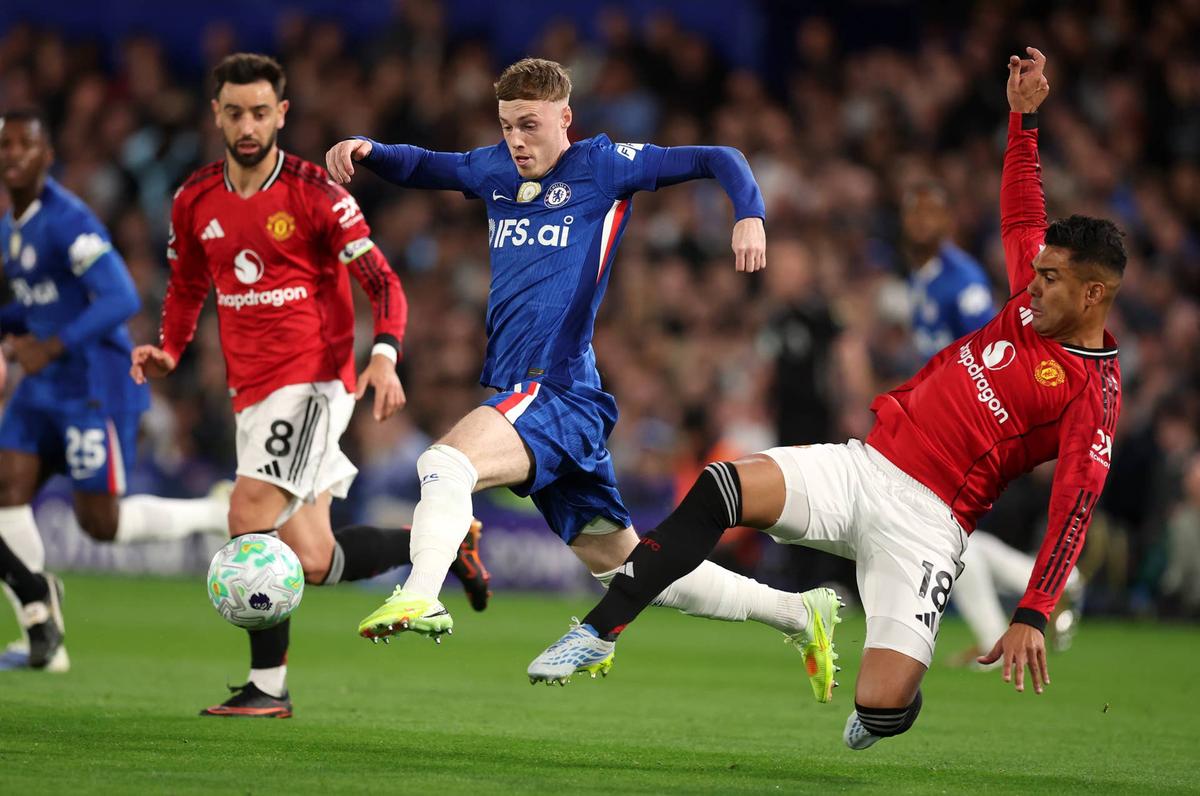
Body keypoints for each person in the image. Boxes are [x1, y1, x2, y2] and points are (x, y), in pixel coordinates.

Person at [529, 48, 1125, 752]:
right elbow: (1023, 207)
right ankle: (601, 630)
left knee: (878, 706)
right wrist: (1023, 121)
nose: (1032, 284)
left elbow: (1076, 505)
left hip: (929, 527)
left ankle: (886, 711)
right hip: (865, 468)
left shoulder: (1093, 391)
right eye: (1037, 271)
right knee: (723, 486)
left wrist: (1033, 610)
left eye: (1052, 279)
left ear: (1094, 294)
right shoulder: (1036, 295)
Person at [326, 57, 830, 677]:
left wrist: (748, 211)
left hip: (557, 388)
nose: (516, 140)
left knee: (444, 462)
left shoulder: (603, 166)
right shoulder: (494, 170)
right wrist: (370, 149)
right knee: (630, 570)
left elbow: (718, 156)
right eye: (508, 125)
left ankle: (421, 594)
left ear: (565, 118)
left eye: (530, 125)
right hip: (547, 395)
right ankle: (800, 614)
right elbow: (429, 165)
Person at [130, 54, 489, 718]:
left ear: (281, 115)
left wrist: (383, 355)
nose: (247, 124)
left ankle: (267, 690)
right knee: (316, 559)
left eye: (260, 112)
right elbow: (186, 287)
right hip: (252, 391)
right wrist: (171, 350)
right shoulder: (194, 200)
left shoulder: (317, 194)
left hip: (316, 381)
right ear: (216, 113)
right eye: (234, 111)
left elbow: (383, 282)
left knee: (246, 517)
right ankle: (440, 542)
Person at [0, 108, 234, 672]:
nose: (12, 155)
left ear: (47, 156)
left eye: (24, 146)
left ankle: (210, 513)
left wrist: (49, 346)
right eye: (4, 146)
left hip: (92, 390)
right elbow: (36, 304)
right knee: (5, 493)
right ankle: (42, 630)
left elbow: (120, 298)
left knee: (101, 526)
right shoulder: (13, 223)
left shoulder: (67, 219)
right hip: (40, 389)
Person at [899, 177, 1085, 663]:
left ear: (946, 222)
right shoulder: (922, 274)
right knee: (954, 533)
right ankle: (1054, 583)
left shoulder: (962, 283)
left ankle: (992, 635)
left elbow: (994, 344)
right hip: (943, 419)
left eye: (929, 212)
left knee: (945, 530)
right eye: (912, 212)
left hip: (973, 420)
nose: (919, 222)